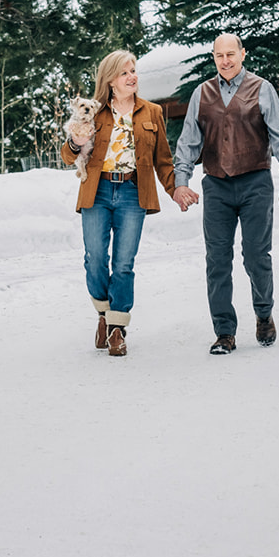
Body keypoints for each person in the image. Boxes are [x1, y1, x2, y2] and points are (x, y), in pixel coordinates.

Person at [172, 33, 279, 355]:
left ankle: (263, 312)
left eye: (231, 54)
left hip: (255, 181)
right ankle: (224, 332)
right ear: (213, 57)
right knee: (217, 260)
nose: (226, 61)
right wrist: (181, 181)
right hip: (216, 185)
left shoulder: (262, 88)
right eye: (219, 55)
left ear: (243, 54)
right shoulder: (202, 93)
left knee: (256, 256)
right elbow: (187, 143)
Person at [60, 50, 177, 357]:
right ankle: (102, 312)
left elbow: (163, 160)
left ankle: (117, 329)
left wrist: (176, 189)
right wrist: (74, 142)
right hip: (96, 191)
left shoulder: (151, 112)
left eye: (134, 71)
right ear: (110, 79)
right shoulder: (93, 112)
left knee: (124, 263)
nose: (132, 77)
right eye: (125, 72)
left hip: (132, 194)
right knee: (95, 258)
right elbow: (68, 155)